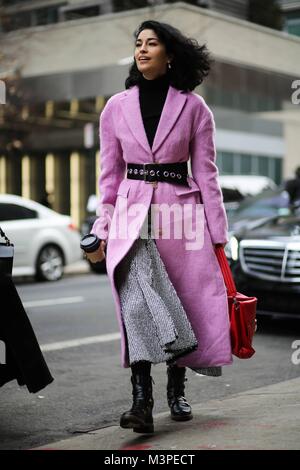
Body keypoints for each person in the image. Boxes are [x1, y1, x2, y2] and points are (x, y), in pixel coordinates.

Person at [87, 20, 232, 434]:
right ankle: (141, 400)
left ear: (170, 55)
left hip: (181, 216)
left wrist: (218, 234)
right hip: (132, 215)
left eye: (152, 43)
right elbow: (109, 175)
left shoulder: (193, 107)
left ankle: (177, 389)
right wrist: (103, 223)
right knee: (136, 304)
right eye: (138, 43)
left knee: (180, 300)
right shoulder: (115, 107)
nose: (143, 49)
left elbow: (206, 174)